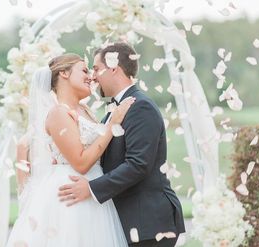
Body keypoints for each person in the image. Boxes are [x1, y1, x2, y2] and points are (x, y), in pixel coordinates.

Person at [58, 42, 186, 247]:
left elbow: (138, 164)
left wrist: (90, 188)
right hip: (131, 221)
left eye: (97, 69)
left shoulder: (139, 106)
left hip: (148, 223)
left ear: (114, 68)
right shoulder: (114, 110)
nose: (93, 76)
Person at [6, 53, 135, 247]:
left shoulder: (85, 111)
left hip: (92, 190)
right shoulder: (58, 112)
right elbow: (81, 163)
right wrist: (112, 125)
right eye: (84, 70)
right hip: (71, 195)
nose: (91, 76)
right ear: (64, 73)